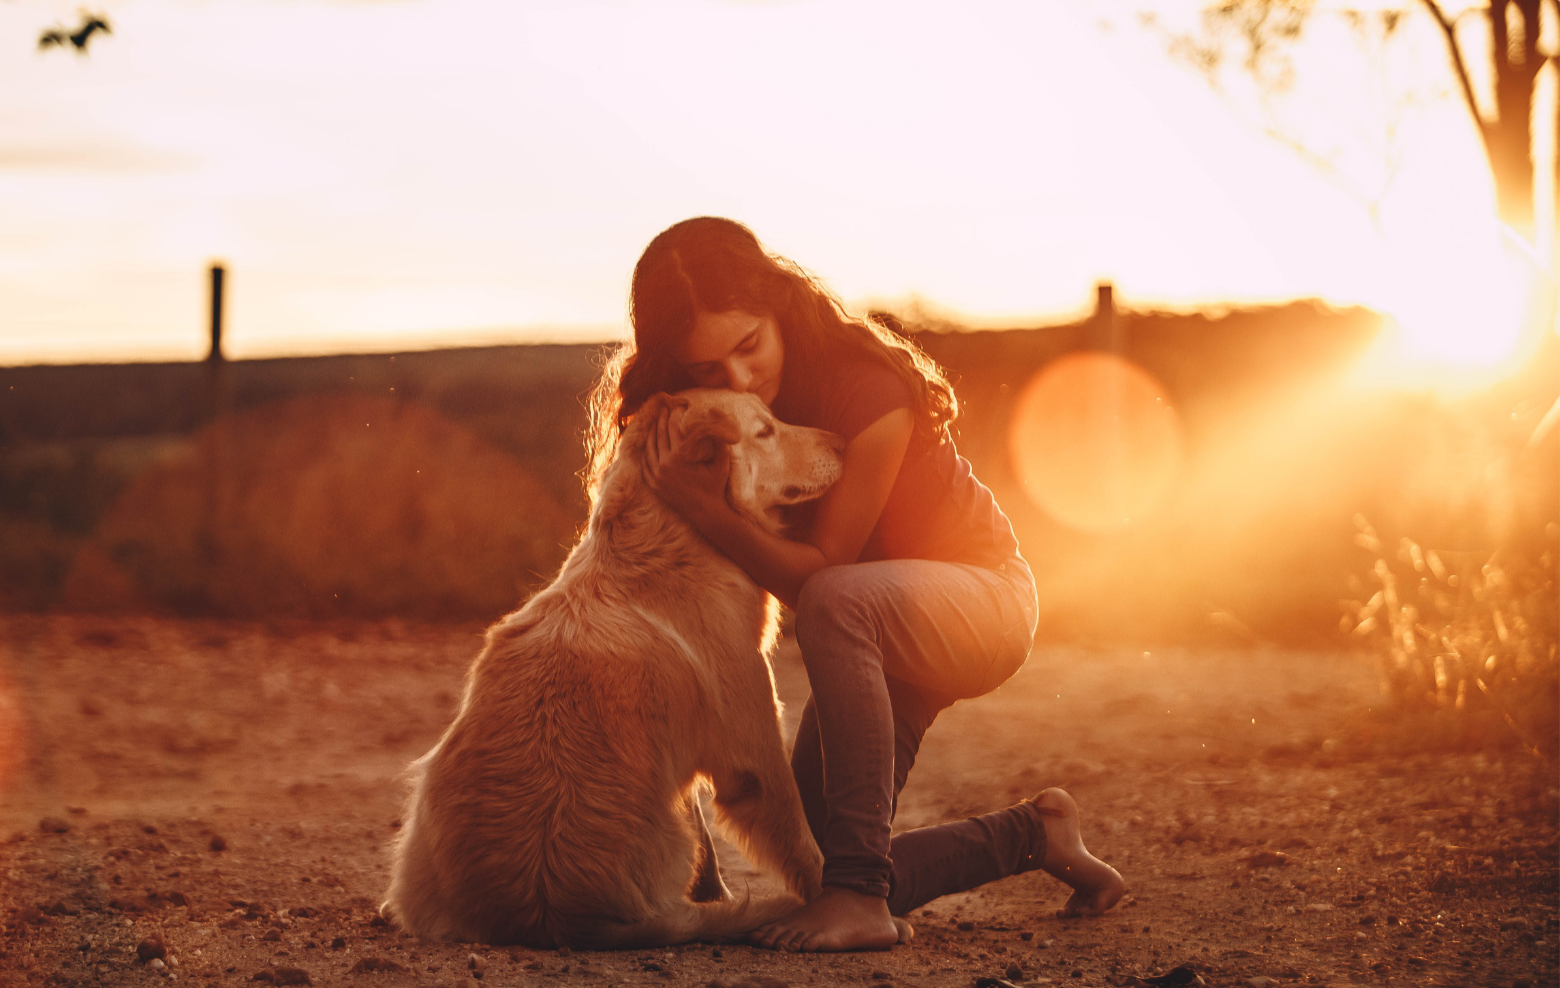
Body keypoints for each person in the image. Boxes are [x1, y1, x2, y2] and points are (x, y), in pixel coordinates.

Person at [584, 217, 1124, 952]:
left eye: (749, 346)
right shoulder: (703, 416)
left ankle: (861, 903)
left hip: (981, 601)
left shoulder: (866, 389)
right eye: (709, 369)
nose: (740, 380)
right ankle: (1036, 835)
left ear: (778, 305)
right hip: (876, 626)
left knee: (839, 598)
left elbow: (822, 576)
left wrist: (703, 508)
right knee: (815, 861)